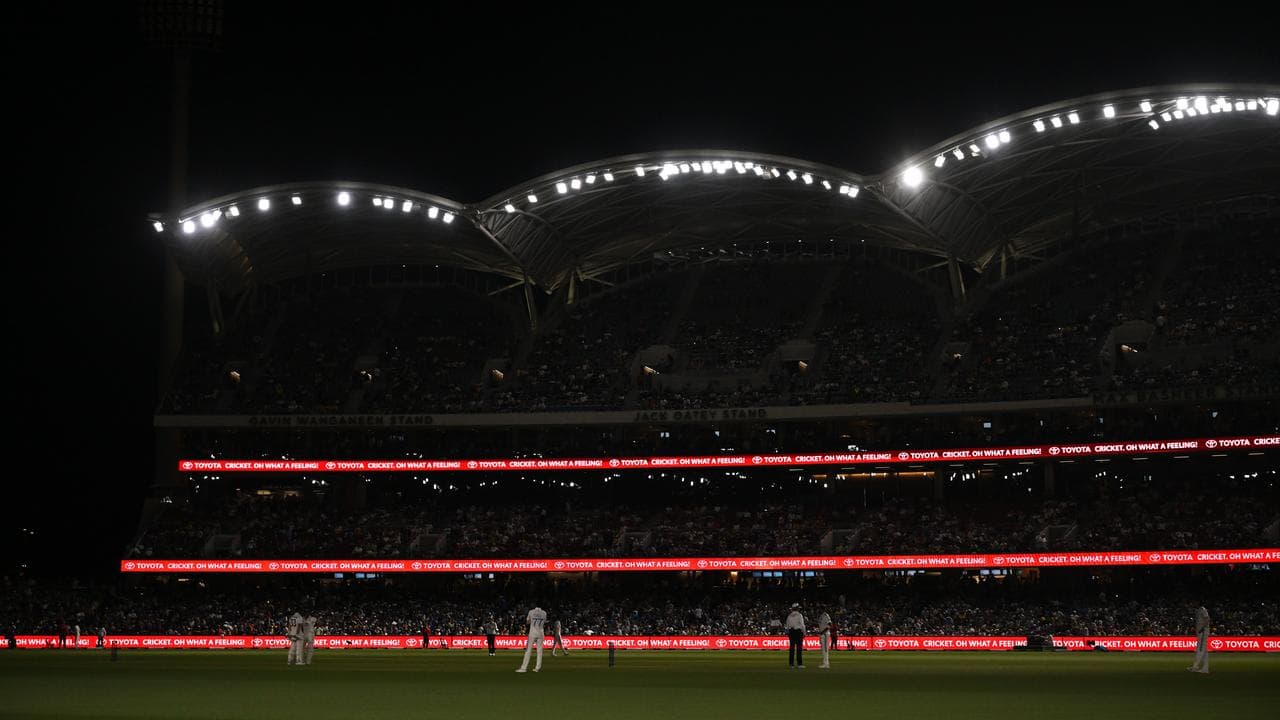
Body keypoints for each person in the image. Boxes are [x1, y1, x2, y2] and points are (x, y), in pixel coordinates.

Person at [516, 605, 547, 673]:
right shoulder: (544, 613)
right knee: (539, 651)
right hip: (541, 633)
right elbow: (544, 622)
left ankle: (524, 668)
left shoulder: (531, 612)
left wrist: (531, 620)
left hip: (533, 633)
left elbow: (528, 622)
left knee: (528, 650)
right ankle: (537, 668)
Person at [1188, 605, 1210, 674]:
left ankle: (1195, 667)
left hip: (1203, 631)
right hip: (1201, 631)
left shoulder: (1202, 609)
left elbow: (1207, 618)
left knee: (1200, 649)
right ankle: (1205, 669)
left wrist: (1203, 628)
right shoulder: (1198, 610)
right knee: (1204, 651)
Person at [785, 603, 806, 669]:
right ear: (797, 608)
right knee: (799, 648)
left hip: (791, 632)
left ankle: (791, 664)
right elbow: (802, 625)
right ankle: (799, 664)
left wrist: (788, 632)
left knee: (792, 648)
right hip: (798, 632)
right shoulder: (799, 615)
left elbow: (787, 626)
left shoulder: (789, 616)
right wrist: (804, 632)